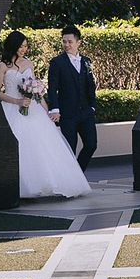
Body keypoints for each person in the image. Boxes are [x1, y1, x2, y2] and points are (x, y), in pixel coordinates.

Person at [0, 30, 91, 199]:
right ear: (13, 46)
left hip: (32, 109)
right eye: (20, 46)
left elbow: (36, 92)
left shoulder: (29, 63)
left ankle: (52, 184)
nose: (23, 50)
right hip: (12, 108)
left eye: (25, 46)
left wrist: (47, 111)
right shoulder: (2, 66)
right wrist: (17, 102)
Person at [46, 24, 98, 171]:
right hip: (67, 114)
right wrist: (54, 109)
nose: (66, 45)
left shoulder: (86, 61)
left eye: (70, 42)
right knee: (70, 149)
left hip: (86, 112)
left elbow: (91, 86)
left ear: (78, 42)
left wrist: (93, 106)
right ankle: (71, 181)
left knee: (91, 145)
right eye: (64, 41)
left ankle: (78, 174)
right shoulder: (56, 63)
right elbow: (52, 88)